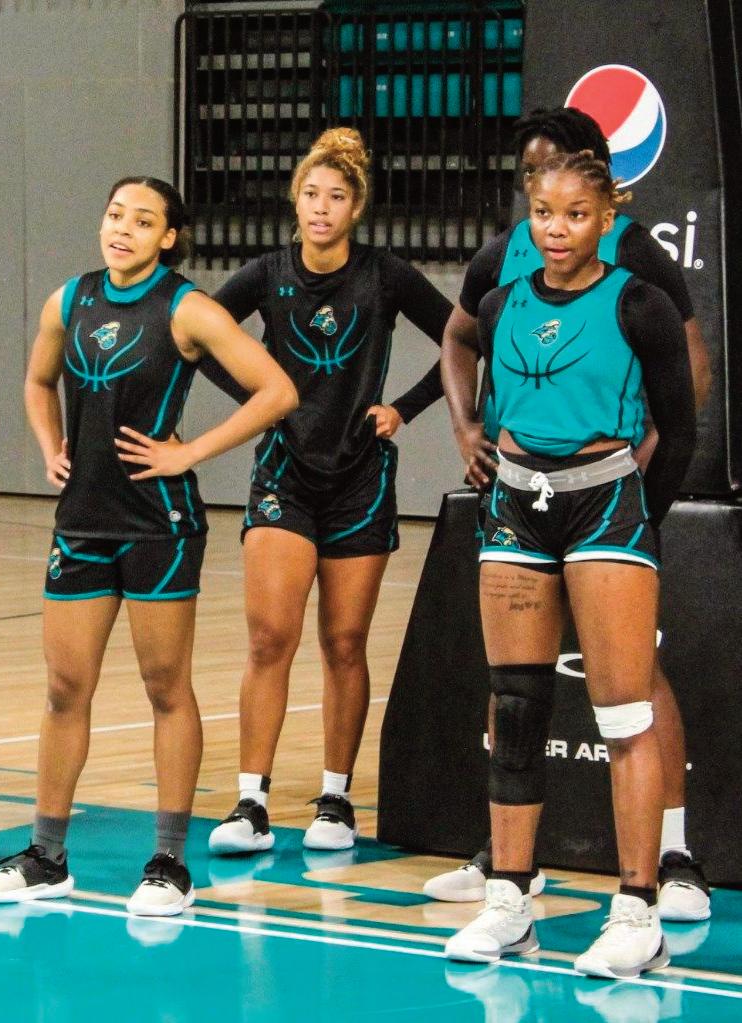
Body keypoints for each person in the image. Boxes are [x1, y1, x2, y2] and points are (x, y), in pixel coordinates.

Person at [0, 176, 296, 914]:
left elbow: (277, 391)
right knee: (64, 690)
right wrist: (50, 444)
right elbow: (37, 381)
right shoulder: (70, 300)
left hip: (159, 525)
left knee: (165, 688)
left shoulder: (188, 308)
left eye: (143, 221)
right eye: (115, 214)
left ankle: (169, 863)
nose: (122, 229)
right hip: (82, 522)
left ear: (168, 238)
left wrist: (190, 453)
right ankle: (46, 855)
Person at [430, 106, 712, 921]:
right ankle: (508, 868)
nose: (551, 205)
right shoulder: (502, 261)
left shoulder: (634, 257)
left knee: (630, 683)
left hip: (606, 494)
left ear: (600, 189)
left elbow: (687, 375)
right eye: (534, 179)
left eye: (564, 179)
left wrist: (633, 484)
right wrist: (467, 428)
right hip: (523, 498)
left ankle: (671, 856)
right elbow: (458, 338)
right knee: (517, 693)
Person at [197, 128, 452, 855]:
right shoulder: (266, 273)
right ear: (295, 200)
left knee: (344, 642)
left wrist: (406, 407)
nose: (320, 207)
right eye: (310, 194)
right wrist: (256, 403)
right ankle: (251, 802)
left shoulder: (386, 275)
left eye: (335, 197)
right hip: (285, 472)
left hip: (360, 478)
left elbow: (465, 339)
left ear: (356, 207)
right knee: (269, 638)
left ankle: (336, 800)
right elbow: (198, 335)